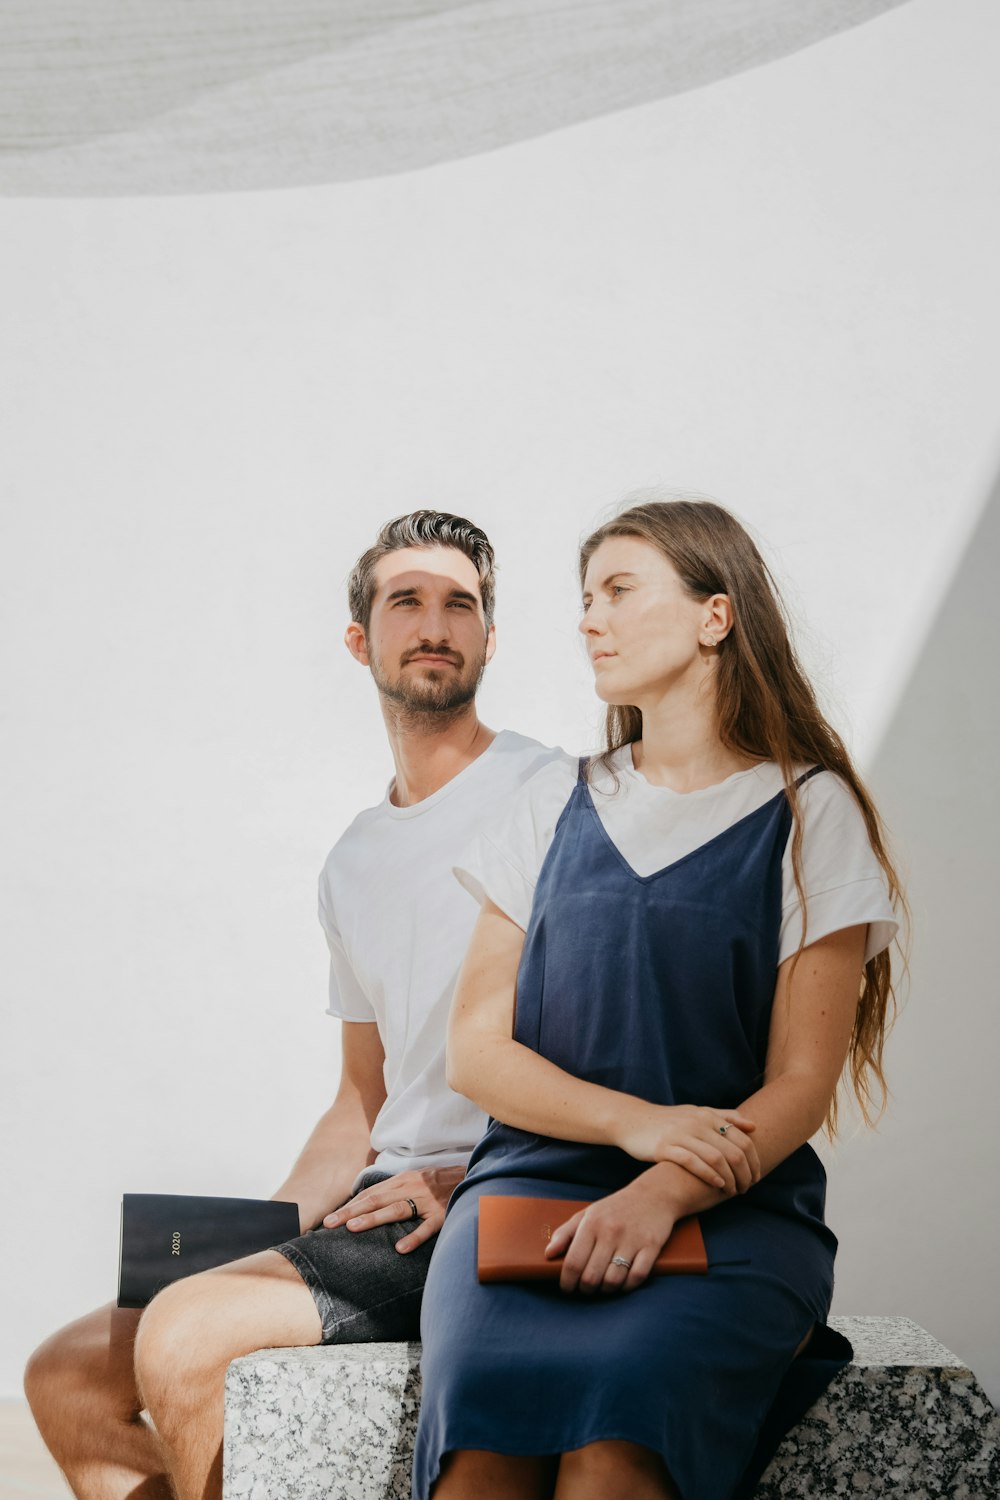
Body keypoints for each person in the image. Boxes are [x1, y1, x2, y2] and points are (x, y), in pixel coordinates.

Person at [23, 509, 568, 1500]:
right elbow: (364, 1098)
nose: (435, 622)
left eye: (462, 603)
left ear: (491, 636)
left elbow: (615, 1043)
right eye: (406, 600)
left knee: (188, 1339)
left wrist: (473, 1178)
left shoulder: (554, 799)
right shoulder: (354, 858)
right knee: (68, 1376)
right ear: (362, 640)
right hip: (378, 1208)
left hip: (483, 1212)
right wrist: (257, 1241)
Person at [413, 497, 903, 1500]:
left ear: (714, 617)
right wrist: (639, 1130)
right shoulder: (547, 802)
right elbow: (476, 1051)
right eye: (585, 599)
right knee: (478, 1469)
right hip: (525, 1197)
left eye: (620, 593)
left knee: (616, 1456)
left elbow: (801, 1085)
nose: (589, 619)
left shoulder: (813, 814)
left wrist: (666, 1187)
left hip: (731, 1210)